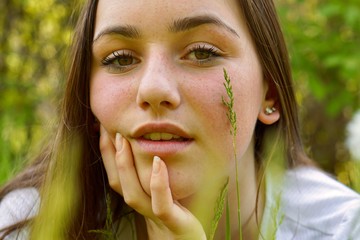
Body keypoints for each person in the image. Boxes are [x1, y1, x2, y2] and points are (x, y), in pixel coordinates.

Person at [1, 0, 359, 239]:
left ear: (271, 93)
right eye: (120, 59)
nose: (154, 88)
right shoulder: (29, 225)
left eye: (202, 52)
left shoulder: (344, 228)